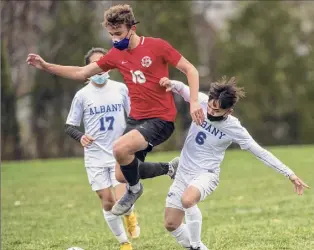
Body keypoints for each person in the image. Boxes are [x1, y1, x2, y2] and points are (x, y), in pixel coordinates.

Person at [26, 4, 204, 216]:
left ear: (132, 29)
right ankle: (169, 169)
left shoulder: (157, 46)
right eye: (111, 35)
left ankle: (134, 190)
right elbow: (82, 73)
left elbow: (190, 70)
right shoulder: (115, 55)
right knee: (120, 174)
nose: (115, 39)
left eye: (119, 34)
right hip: (136, 120)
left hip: (160, 120)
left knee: (119, 149)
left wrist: (193, 102)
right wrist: (47, 66)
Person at [159, 77, 310, 250]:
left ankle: (196, 248)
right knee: (171, 224)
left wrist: (289, 173)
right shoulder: (203, 101)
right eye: (211, 107)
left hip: (206, 174)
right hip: (182, 171)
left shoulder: (234, 128)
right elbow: (182, 88)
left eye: (218, 110)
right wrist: (169, 83)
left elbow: (260, 152)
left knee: (188, 200)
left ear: (229, 111)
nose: (212, 112)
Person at [65, 47, 179, 250]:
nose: (100, 70)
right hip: (94, 156)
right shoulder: (82, 96)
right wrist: (80, 136)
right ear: (88, 68)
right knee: (107, 202)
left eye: (103, 63)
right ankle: (124, 242)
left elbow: (135, 115)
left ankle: (129, 215)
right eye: (95, 65)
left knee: (121, 200)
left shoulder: (121, 89)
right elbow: (69, 125)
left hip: (119, 153)